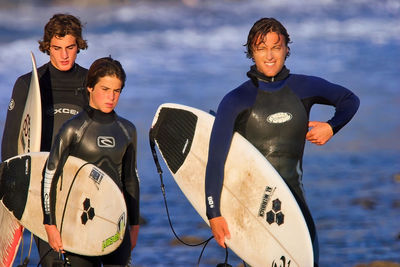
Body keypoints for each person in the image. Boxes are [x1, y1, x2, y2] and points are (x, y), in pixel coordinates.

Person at [204, 17, 360, 267]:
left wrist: (332, 126)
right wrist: (214, 214)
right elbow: (215, 162)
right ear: (251, 52)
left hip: (297, 208)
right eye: (261, 48)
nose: (269, 55)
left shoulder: (304, 87)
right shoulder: (235, 100)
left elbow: (350, 100)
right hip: (253, 213)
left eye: (276, 47)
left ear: (286, 49)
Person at [0, 13, 89, 266]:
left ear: (78, 46)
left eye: (70, 47)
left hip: (77, 186)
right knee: (52, 261)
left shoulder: (89, 83)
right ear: (46, 47)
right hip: (40, 189)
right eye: (57, 48)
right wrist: (14, 191)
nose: (63, 55)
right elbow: (11, 144)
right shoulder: (28, 84)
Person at [42, 57, 140, 266]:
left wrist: (135, 224)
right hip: (79, 224)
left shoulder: (127, 130)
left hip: (115, 225)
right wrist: (49, 224)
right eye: (105, 89)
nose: (111, 97)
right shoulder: (73, 129)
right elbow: (50, 175)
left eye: (117, 91)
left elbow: (131, 179)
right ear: (90, 87)